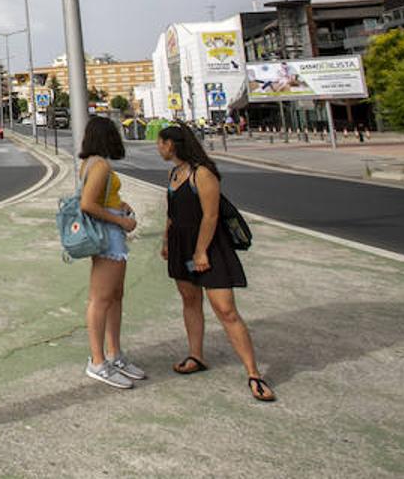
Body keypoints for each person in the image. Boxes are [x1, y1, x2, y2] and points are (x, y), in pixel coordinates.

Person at [157, 123, 276, 402]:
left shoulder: (203, 173)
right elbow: (172, 213)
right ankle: (196, 355)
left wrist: (201, 252)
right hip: (179, 244)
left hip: (208, 247)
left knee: (226, 310)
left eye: (161, 143)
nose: (159, 148)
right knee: (189, 300)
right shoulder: (174, 173)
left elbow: (210, 216)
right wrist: (165, 241)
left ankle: (254, 373)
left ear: (172, 144)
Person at [77, 115, 146, 390]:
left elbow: (100, 199)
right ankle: (98, 361)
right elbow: (87, 204)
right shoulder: (101, 165)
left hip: (109, 234)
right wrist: (122, 220)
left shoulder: (92, 163)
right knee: (101, 299)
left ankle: (115, 354)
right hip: (108, 236)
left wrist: (120, 203)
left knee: (115, 296)